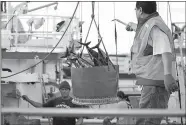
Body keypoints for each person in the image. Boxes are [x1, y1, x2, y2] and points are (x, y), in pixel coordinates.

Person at [115, 1, 179, 125]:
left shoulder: (154, 26)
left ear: (140, 10)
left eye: (135, 10)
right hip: (153, 83)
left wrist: (167, 75)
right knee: (146, 120)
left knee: (146, 121)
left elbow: (164, 49)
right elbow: (147, 35)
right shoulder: (151, 24)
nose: (135, 13)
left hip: (155, 84)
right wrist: (135, 26)